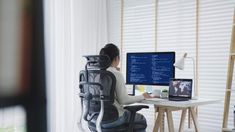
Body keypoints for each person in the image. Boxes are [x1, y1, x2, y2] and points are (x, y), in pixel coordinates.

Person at [99, 43, 152, 131]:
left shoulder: (95, 73)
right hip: (114, 118)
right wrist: (143, 96)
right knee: (141, 119)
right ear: (116, 58)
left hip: (95, 118)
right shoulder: (116, 74)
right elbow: (124, 100)